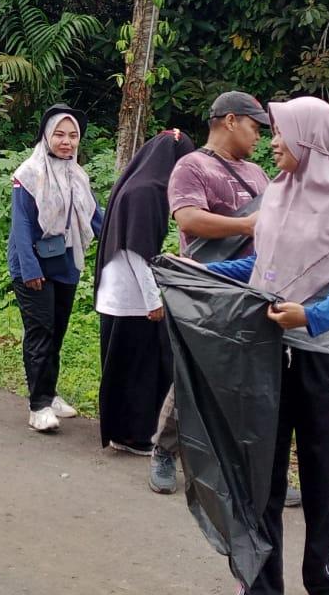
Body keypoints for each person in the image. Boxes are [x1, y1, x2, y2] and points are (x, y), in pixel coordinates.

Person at [204, 96, 329, 595]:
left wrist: (310, 316)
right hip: (268, 356)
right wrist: (200, 272)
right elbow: (264, 267)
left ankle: (328, 582)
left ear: (310, 139)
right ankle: (261, 586)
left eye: (282, 133)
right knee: (262, 479)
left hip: (326, 361)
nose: (271, 141)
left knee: (322, 483)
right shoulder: (278, 193)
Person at [149, 90, 273, 494]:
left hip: (254, 287)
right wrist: (246, 225)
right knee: (197, 374)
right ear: (231, 120)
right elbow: (187, 218)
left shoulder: (258, 174)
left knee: (251, 380)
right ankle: (164, 452)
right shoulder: (192, 166)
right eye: (255, 127)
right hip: (206, 285)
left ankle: (250, 471)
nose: (259, 137)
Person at [94, 128, 195, 455]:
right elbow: (137, 251)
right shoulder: (149, 191)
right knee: (140, 370)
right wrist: (154, 300)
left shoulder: (135, 183)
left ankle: (124, 433)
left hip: (120, 293)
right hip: (132, 296)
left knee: (125, 367)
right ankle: (135, 436)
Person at [7, 104, 103, 434]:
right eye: (60, 134)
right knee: (40, 332)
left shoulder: (76, 174)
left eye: (73, 135)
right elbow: (20, 225)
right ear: (47, 136)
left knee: (57, 332)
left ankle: (50, 392)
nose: (67, 141)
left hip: (65, 262)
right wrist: (31, 269)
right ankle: (39, 405)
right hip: (32, 264)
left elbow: (93, 214)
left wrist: (123, 238)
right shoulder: (28, 174)